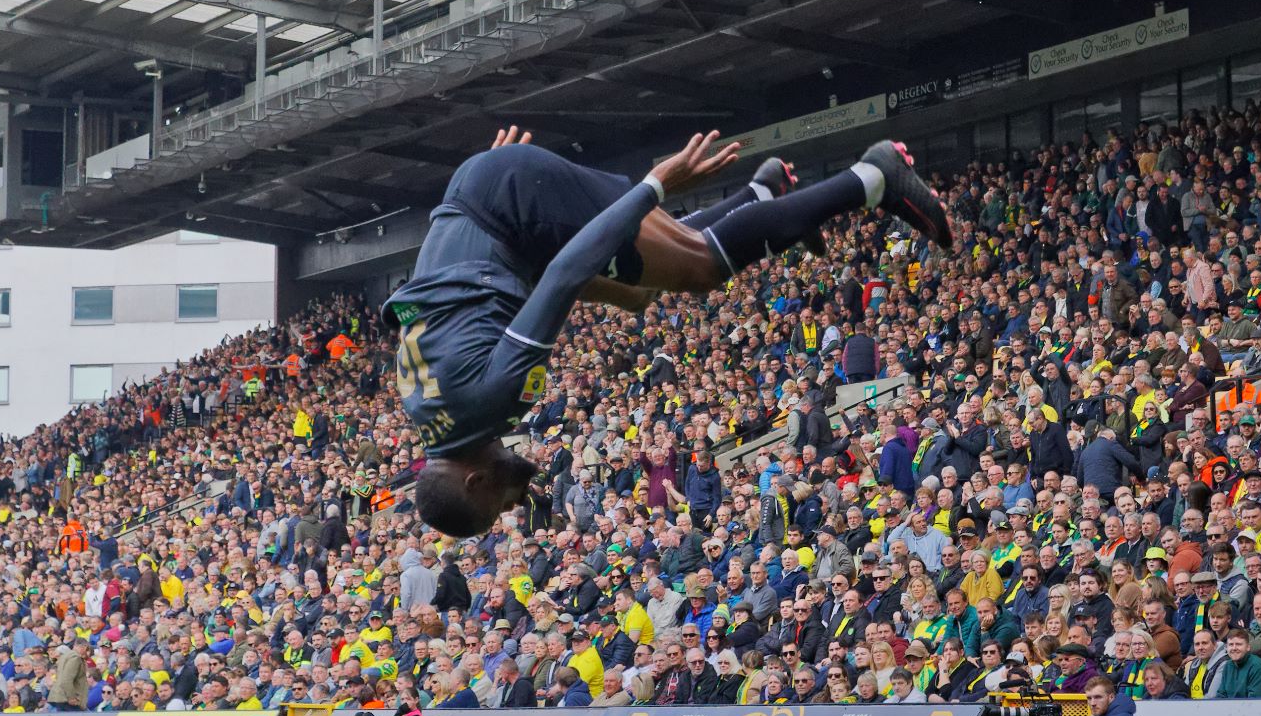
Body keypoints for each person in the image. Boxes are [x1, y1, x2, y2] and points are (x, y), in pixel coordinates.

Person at [384, 129, 950, 536]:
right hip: (485, 212)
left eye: (501, 508)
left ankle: (873, 177)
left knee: (701, 266)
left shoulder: (489, 405)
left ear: (475, 484)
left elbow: (564, 275)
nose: (516, 503)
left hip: (513, 211)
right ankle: (763, 201)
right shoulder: (424, 411)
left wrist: (655, 185)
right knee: (638, 289)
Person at [1215, 630, 1261, 698]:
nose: (1234, 648)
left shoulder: (1258, 667)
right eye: (1231, 644)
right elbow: (1220, 697)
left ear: (1248, 647)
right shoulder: (1228, 666)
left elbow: (1256, 703)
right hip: (1233, 708)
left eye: (1238, 644)